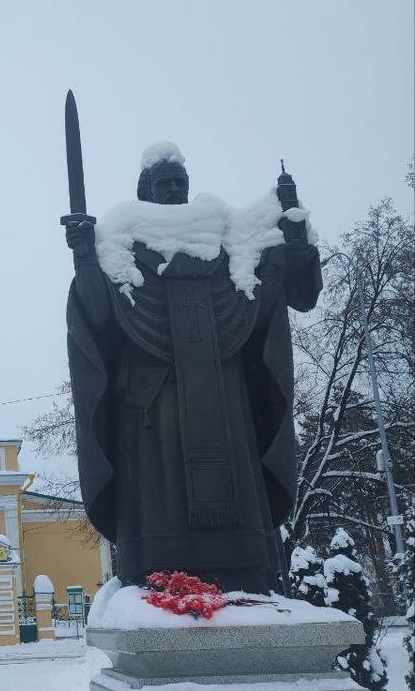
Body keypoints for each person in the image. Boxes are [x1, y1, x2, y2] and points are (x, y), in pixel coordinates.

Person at [63, 144, 322, 594]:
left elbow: (267, 296)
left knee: (236, 482)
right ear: (144, 191)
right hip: (150, 400)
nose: (173, 190)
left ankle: (244, 571)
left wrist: (293, 249)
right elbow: (99, 316)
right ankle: (157, 575)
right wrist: (85, 255)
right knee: (156, 493)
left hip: (224, 398)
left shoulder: (223, 239)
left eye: (179, 182)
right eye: (163, 183)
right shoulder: (123, 241)